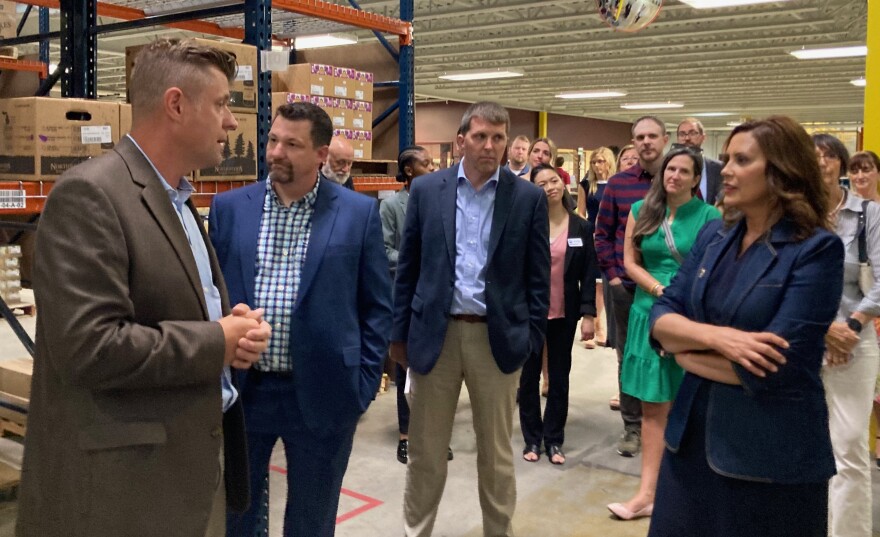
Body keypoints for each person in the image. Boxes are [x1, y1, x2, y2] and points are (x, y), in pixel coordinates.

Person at [16, 38, 272, 537]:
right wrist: (215, 340)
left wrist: (228, 333)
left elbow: (166, 310)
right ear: (176, 104)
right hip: (126, 492)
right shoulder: (91, 195)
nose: (232, 122)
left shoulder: (178, 199)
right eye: (221, 104)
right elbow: (89, 347)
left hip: (183, 473)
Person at [647, 116, 843, 536]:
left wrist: (685, 352)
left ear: (781, 171)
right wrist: (719, 339)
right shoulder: (715, 236)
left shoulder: (816, 249)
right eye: (726, 159)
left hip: (769, 457)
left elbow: (777, 364)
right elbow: (661, 315)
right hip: (691, 442)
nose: (727, 170)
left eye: (742, 160)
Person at [209, 102, 392, 537]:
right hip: (245, 392)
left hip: (325, 391)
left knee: (312, 519)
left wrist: (362, 385)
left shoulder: (357, 214)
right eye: (273, 140)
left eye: (292, 144)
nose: (276, 152)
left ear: (321, 155)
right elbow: (211, 294)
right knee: (238, 515)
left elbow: (377, 307)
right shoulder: (230, 208)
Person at [391, 101, 549, 537]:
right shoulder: (428, 191)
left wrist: (530, 338)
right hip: (434, 338)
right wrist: (398, 335)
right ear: (462, 140)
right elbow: (409, 268)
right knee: (425, 452)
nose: (490, 146)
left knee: (496, 455)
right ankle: (415, 531)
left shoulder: (528, 198)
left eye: (498, 138)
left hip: (495, 340)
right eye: (480, 136)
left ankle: (498, 531)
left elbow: (538, 279)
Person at [607, 147, 720, 521]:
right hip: (647, 313)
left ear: (695, 178)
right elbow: (629, 261)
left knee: (693, 404)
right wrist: (659, 291)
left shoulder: (710, 217)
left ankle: (693, 493)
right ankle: (647, 494)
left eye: (684, 171)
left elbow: (712, 267)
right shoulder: (643, 210)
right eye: (670, 169)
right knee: (653, 409)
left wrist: (678, 299)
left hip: (689, 317)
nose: (674, 176)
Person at [813, 133, 880, 537]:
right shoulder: (796, 215)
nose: (820, 163)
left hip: (856, 340)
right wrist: (823, 331)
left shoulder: (868, 213)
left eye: (827, 156)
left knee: (850, 446)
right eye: (812, 156)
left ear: (840, 163)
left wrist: (850, 327)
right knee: (806, 445)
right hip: (808, 339)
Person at [596, 116, 670, 457]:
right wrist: (613, 275)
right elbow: (604, 234)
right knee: (629, 357)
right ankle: (632, 427)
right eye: (639, 137)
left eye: (652, 136)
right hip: (627, 288)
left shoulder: (679, 181)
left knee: (671, 356)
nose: (645, 142)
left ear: (664, 139)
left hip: (671, 290)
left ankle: (667, 426)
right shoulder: (618, 184)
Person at [519, 164, 597, 465]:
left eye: (554, 181)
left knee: (560, 378)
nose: (550, 187)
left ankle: (554, 440)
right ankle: (531, 438)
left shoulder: (580, 227)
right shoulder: (526, 226)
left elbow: (589, 274)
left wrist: (589, 313)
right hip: (531, 313)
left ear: (563, 185)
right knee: (528, 378)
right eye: (541, 183)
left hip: (565, 312)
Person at [379, 145, 452, 465]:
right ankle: (406, 435)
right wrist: (420, 261)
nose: (433, 168)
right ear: (409, 170)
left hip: (439, 299)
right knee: (408, 366)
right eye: (426, 164)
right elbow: (385, 250)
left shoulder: (443, 204)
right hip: (407, 298)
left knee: (440, 371)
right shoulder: (391, 207)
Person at [577, 146, 617, 349]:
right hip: (592, 236)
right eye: (594, 161)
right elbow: (581, 213)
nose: (597, 165)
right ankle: (597, 324)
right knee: (594, 283)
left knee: (606, 282)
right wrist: (585, 235)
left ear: (609, 162)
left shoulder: (616, 183)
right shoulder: (586, 185)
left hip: (611, 236)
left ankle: (605, 324)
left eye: (601, 161)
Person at [676, 117, 724, 204]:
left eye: (692, 133)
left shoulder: (720, 168)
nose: (687, 138)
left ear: (703, 137)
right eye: (682, 134)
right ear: (677, 139)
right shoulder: (669, 170)